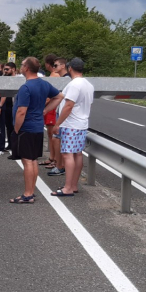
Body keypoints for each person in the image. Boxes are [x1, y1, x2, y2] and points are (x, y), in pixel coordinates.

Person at [10, 57, 61, 203]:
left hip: (26, 128)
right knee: (33, 160)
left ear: (26, 68)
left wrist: (16, 129)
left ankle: (27, 194)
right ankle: (31, 191)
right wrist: (44, 111)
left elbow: (21, 111)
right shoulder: (44, 84)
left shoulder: (26, 87)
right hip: (38, 127)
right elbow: (59, 96)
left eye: (22, 65)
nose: (20, 66)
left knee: (27, 162)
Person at [45, 57, 94, 197]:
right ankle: (73, 185)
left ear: (70, 68)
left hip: (71, 124)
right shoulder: (88, 85)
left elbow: (68, 105)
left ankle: (67, 188)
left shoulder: (74, 84)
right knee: (77, 154)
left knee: (67, 155)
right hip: (82, 124)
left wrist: (58, 123)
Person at [42, 55, 67, 174]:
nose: (53, 67)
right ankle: (53, 158)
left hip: (54, 108)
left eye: (55, 65)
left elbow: (56, 95)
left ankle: (57, 161)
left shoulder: (57, 76)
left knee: (54, 135)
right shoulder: (55, 76)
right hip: (53, 108)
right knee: (51, 133)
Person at [0, 62, 18, 159]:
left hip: (15, 105)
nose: (5, 71)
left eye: (7, 69)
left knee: (15, 126)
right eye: (4, 69)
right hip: (7, 105)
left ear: (13, 69)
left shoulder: (18, 79)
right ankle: (10, 144)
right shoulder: (4, 78)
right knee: (8, 126)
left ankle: (16, 147)